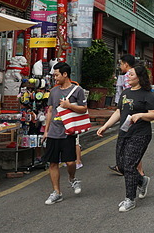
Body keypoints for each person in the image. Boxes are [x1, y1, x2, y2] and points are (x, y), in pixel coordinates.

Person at [97, 64, 154, 212]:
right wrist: (105, 126)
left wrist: (141, 115)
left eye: (131, 74)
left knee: (130, 165)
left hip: (140, 134)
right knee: (122, 166)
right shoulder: (125, 93)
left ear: (139, 77)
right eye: (128, 74)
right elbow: (119, 112)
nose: (128, 76)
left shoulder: (147, 94)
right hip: (124, 133)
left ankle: (130, 199)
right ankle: (142, 180)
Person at [41, 62, 87, 204]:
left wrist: (69, 106)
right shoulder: (54, 91)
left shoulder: (77, 90)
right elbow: (50, 111)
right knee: (53, 163)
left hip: (68, 132)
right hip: (53, 132)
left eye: (56, 75)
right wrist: (46, 131)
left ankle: (72, 178)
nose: (55, 78)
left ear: (65, 74)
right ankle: (56, 192)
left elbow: (84, 109)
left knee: (70, 162)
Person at [109, 54, 136, 175]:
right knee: (132, 143)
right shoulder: (135, 74)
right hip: (131, 111)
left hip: (127, 112)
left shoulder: (128, 76)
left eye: (121, 64)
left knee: (126, 142)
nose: (120, 66)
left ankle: (130, 169)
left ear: (126, 64)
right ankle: (128, 167)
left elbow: (127, 94)